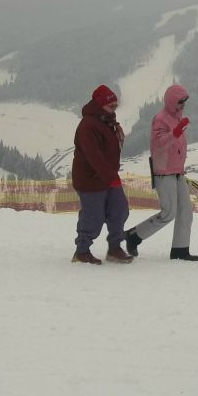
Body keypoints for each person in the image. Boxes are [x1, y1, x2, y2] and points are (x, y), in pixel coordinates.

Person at [124, 84, 198, 261]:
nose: (183, 105)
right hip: (163, 172)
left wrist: (177, 131)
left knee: (185, 211)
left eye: (184, 101)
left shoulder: (176, 118)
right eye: (180, 102)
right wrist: (175, 132)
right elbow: (158, 145)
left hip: (177, 172)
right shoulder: (161, 119)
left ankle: (180, 250)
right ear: (172, 101)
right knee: (169, 213)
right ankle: (134, 236)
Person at [71, 84, 132, 265]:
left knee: (119, 210)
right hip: (90, 180)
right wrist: (109, 176)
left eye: (115, 106)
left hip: (108, 177)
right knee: (93, 216)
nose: (114, 109)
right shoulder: (88, 126)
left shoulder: (107, 122)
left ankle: (114, 248)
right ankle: (81, 251)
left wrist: (111, 176)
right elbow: (94, 156)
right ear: (100, 105)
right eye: (110, 105)